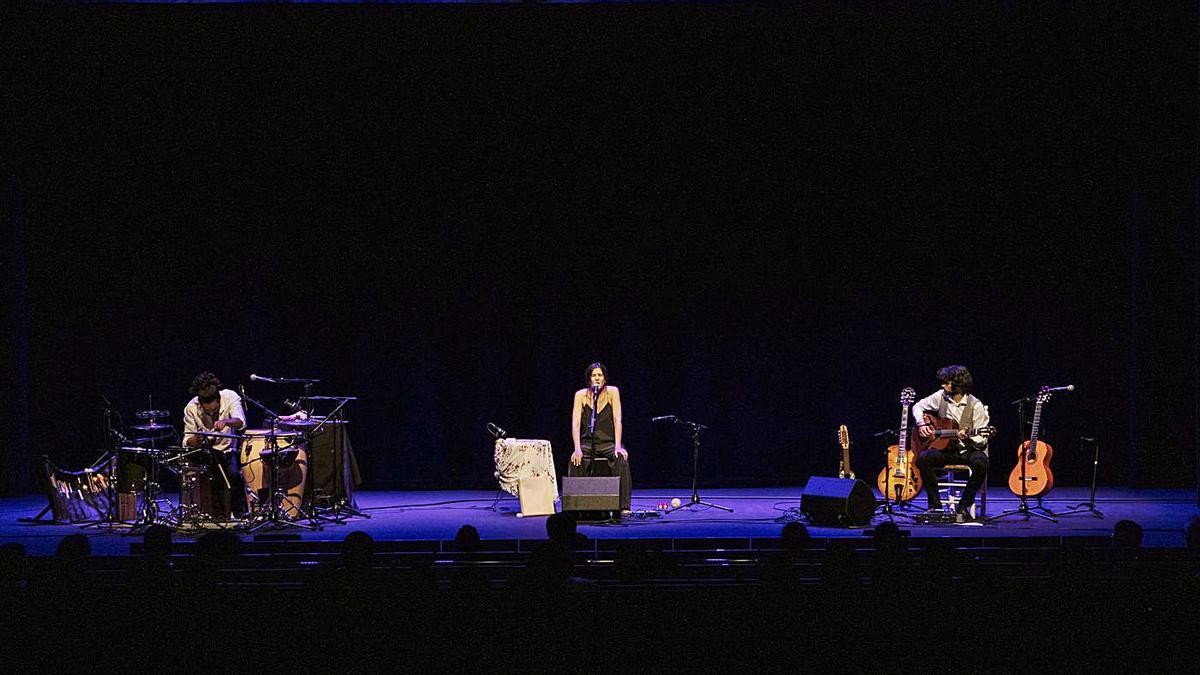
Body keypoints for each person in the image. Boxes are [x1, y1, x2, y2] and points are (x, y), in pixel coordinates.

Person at [912, 365, 990, 517]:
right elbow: (918, 406)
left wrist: (970, 437)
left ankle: (963, 506)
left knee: (981, 463)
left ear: (958, 385)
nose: (943, 385)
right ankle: (935, 507)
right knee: (922, 459)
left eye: (946, 382)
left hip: (968, 450)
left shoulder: (976, 405)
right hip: (947, 449)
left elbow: (982, 440)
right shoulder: (941, 396)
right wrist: (921, 423)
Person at [569, 362, 632, 514]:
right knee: (576, 460)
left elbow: (618, 420)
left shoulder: (612, 392)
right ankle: (575, 505)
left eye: (600, 375)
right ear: (589, 379)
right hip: (587, 443)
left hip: (608, 443)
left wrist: (618, 446)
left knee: (621, 459)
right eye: (593, 375)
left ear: (604, 378)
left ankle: (624, 505)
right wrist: (577, 449)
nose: (597, 378)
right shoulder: (580, 395)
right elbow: (576, 423)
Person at [181, 371, 246, 518]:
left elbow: (240, 422)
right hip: (206, 453)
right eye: (207, 411)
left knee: (234, 476)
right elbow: (187, 439)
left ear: (219, 399)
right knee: (210, 479)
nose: (211, 414)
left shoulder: (230, 397)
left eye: (215, 411)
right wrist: (199, 440)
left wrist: (225, 422)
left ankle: (239, 514)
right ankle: (214, 515)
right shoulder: (191, 408)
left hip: (228, 450)